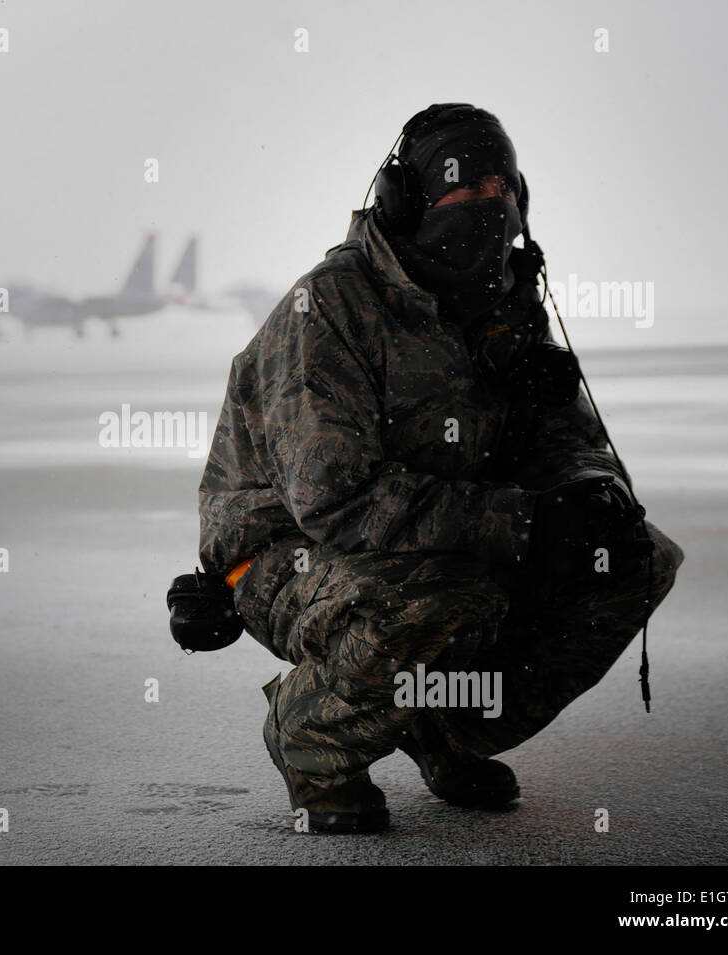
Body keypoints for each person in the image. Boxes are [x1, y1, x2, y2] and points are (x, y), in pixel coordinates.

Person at [194, 103, 684, 833]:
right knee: (445, 592)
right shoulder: (329, 307)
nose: (489, 202)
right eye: (464, 184)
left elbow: (563, 434)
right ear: (408, 198)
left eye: (502, 185)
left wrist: (586, 494)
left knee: (630, 562)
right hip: (280, 551)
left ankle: (446, 727)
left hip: (440, 528)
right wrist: (521, 523)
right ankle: (314, 738)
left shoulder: (506, 302)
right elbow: (338, 498)